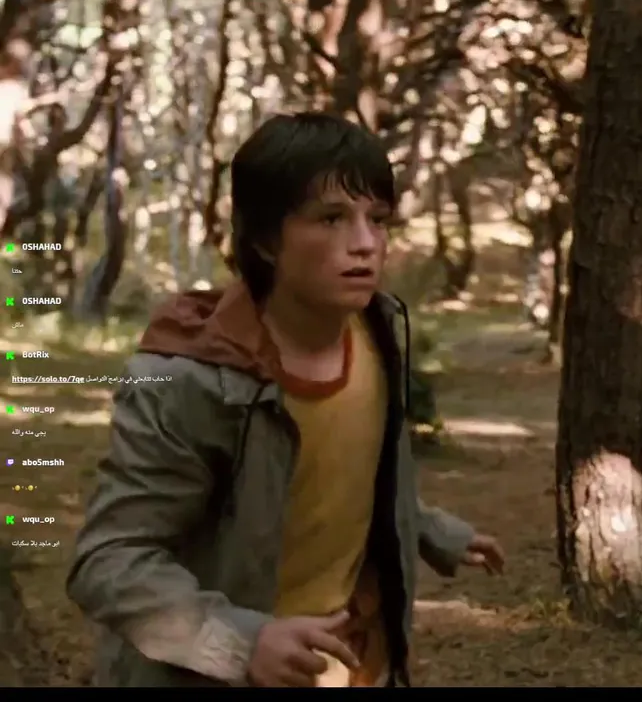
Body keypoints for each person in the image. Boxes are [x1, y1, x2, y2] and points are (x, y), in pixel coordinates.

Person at [66, 113, 506, 687]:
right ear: (265, 240)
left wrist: (429, 529)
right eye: (331, 218)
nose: (365, 243)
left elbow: (338, 473)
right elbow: (110, 558)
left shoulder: (376, 331)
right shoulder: (188, 381)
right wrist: (240, 642)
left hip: (358, 662)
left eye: (377, 219)